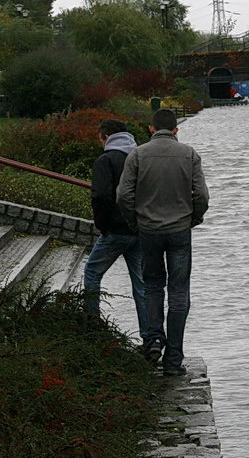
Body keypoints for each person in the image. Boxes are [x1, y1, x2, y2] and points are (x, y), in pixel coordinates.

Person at [117, 109, 210, 376]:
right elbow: (201, 195)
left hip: (148, 231)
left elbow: (123, 195)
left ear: (150, 129)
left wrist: (134, 220)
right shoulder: (189, 154)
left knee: (153, 286)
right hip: (180, 230)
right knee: (179, 293)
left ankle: (153, 340)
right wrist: (194, 217)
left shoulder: (138, 155)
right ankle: (173, 360)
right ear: (176, 130)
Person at [83, 119, 151, 352]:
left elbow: (100, 196)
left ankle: (92, 328)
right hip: (140, 229)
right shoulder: (140, 158)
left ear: (105, 137)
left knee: (92, 272)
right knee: (141, 286)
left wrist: (103, 226)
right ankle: (150, 339)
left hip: (115, 230)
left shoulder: (106, 160)